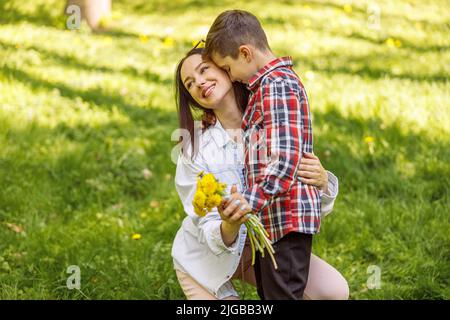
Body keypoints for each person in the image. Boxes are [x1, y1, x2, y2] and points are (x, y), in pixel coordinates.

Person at [171, 47, 349, 300]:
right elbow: (206, 226)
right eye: (190, 83)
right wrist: (230, 224)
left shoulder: (273, 119)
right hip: (207, 259)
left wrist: (321, 183)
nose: (199, 82)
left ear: (227, 69)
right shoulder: (195, 150)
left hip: (265, 245)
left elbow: (300, 205)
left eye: (204, 70)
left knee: (333, 292)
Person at [204, 9, 323, 299]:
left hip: (288, 217)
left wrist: (249, 201)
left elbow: (284, 160)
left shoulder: (276, 85)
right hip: (275, 220)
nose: (230, 78)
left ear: (245, 53)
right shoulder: (265, 87)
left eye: (228, 68)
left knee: (281, 295)